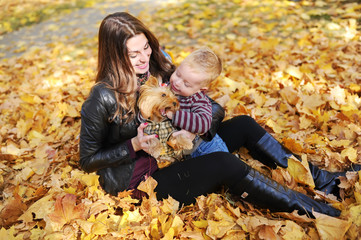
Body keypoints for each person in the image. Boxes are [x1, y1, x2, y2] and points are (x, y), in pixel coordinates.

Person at [79, 11, 345, 218]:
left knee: (243, 125)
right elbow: (88, 160)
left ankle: (323, 180)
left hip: (180, 150)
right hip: (143, 180)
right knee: (224, 163)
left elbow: (212, 107)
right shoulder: (102, 96)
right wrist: (133, 144)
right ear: (114, 57)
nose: (143, 57)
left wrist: (195, 128)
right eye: (133, 54)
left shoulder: (157, 64)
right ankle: (314, 210)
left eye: (146, 47)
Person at [165, 47, 229, 158]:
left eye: (186, 84)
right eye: (178, 74)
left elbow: (203, 124)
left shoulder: (198, 100)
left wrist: (174, 115)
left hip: (207, 149)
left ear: (201, 90)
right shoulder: (168, 87)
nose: (177, 83)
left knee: (226, 167)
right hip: (185, 150)